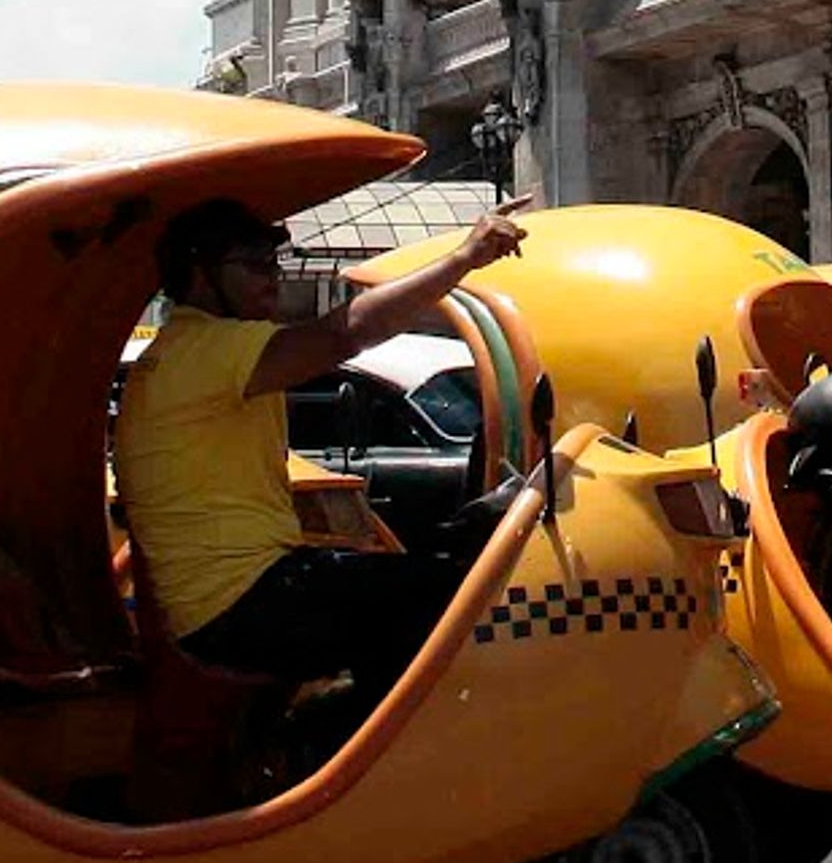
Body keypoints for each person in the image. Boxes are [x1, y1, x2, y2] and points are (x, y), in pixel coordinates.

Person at [113, 198, 527, 706]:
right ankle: (380, 758)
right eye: (254, 264)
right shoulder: (208, 346)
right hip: (239, 606)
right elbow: (344, 334)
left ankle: (345, 731)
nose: (273, 278)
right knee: (455, 596)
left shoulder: (181, 352)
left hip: (226, 600)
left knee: (398, 582)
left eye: (275, 263)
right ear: (200, 275)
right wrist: (463, 259)